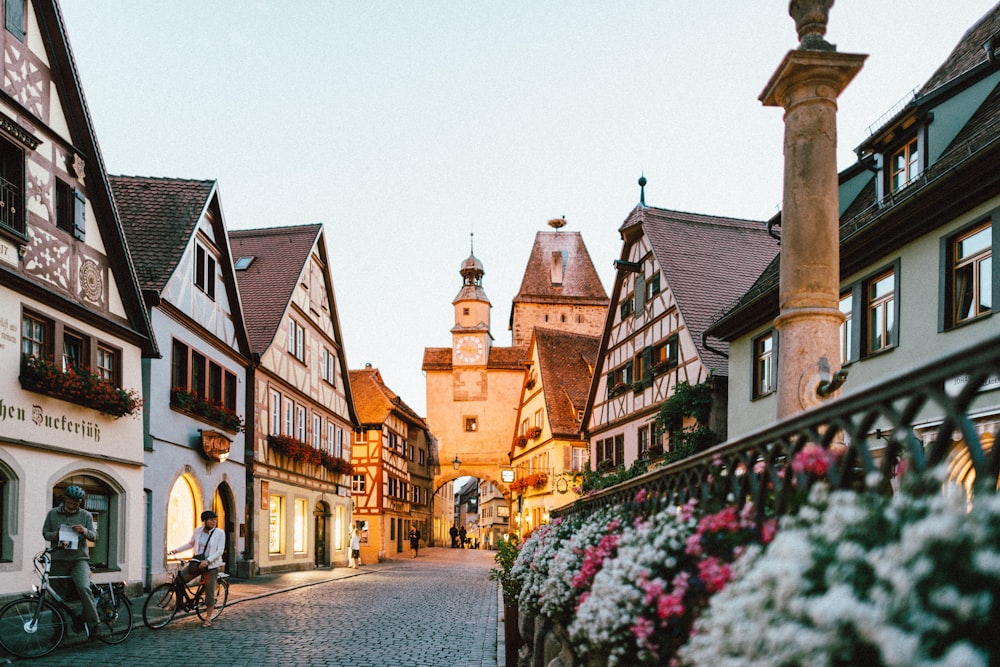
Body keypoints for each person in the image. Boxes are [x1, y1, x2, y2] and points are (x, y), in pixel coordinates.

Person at [42, 485, 102, 638]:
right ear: (65, 499)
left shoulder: (86, 515)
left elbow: (95, 536)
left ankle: (95, 626)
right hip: (59, 559)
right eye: (70, 503)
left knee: (83, 588)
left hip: (78, 559)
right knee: (56, 597)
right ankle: (59, 632)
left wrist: (84, 531)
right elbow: (45, 534)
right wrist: (58, 534)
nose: (73, 506)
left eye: (76, 504)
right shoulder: (53, 514)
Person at [169, 510, 225, 627]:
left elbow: (220, 550)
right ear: (204, 521)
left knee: (209, 591)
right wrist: (176, 550)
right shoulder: (198, 531)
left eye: (215, 519)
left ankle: (208, 618)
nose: (214, 521)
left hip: (211, 566)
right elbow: (191, 544)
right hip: (197, 563)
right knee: (179, 580)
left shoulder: (219, 533)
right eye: (211, 519)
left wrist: (208, 561)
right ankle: (179, 604)